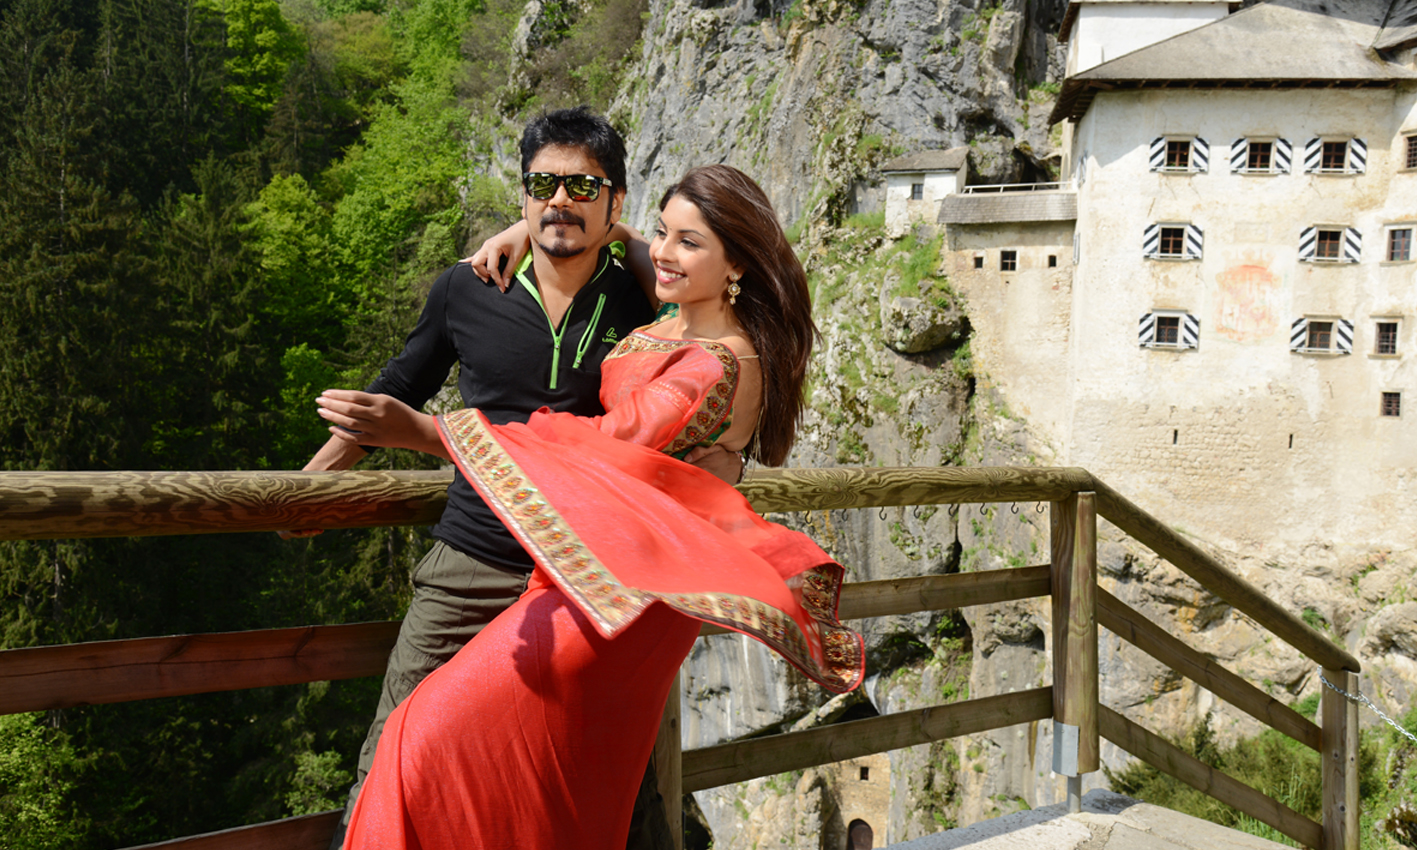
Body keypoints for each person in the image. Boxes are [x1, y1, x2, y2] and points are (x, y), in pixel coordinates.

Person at [321, 164, 866, 849]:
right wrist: (525, 229)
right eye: (663, 232)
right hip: (596, 579)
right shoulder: (675, 324)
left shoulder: (716, 363)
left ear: (737, 265)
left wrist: (430, 432)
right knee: (546, 779)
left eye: (688, 242)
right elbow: (625, 240)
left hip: (622, 604)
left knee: (429, 734)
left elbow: (601, 447)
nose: (663, 252)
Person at [297, 107, 740, 849]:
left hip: (585, 574)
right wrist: (309, 489)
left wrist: (588, 234)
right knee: (394, 750)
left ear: (615, 201)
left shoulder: (641, 294)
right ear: (523, 192)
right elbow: (398, 389)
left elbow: (700, 295)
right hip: (472, 559)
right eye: (542, 185)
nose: (559, 200)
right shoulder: (465, 289)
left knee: (600, 773)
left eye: (582, 187)